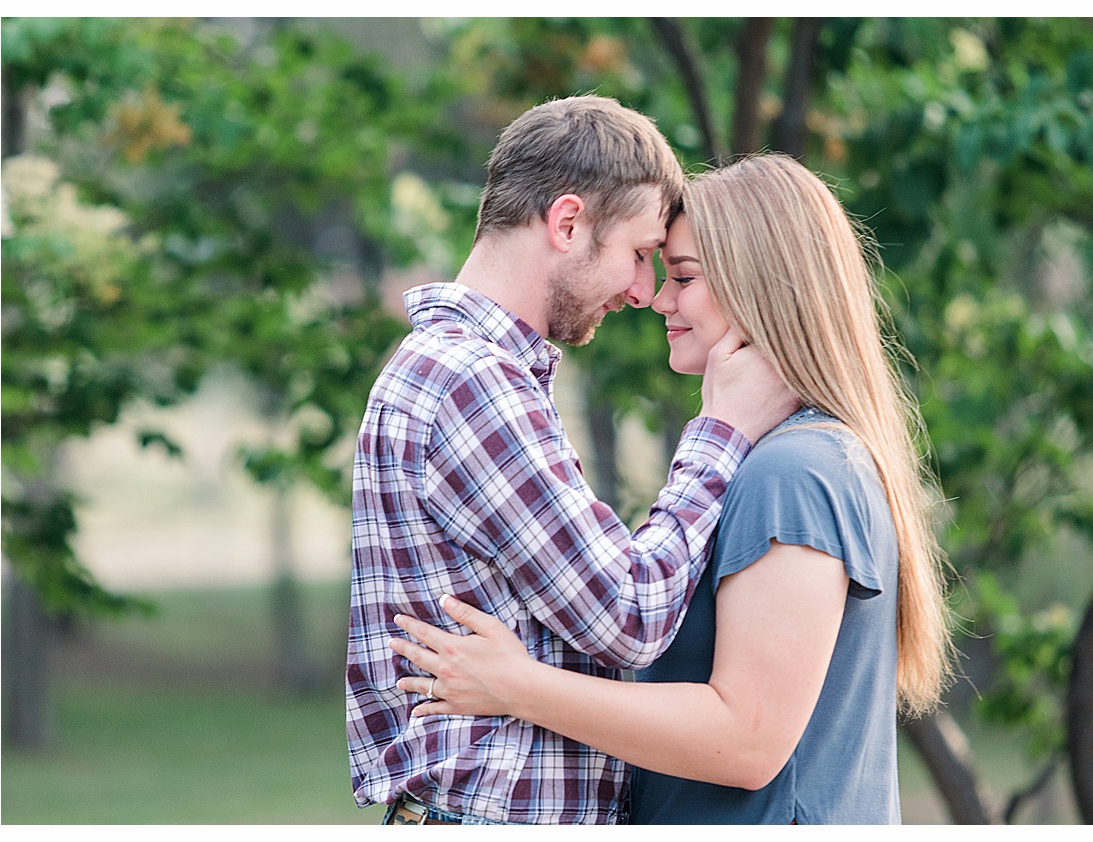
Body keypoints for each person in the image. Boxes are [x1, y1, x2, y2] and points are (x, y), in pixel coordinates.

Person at [389, 154, 953, 824]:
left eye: (682, 277)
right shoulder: (773, 461)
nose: (657, 298)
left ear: (761, 287)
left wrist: (518, 687)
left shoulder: (795, 472)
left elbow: (746, 738)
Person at [346, 96, 798, 825]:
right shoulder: (472, 383)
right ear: (566, 223)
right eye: (641, 254)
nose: (643, 291)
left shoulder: (457, 372)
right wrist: (723, 429)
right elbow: (628, 614)